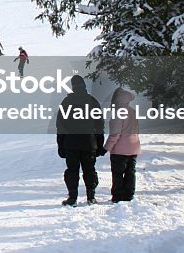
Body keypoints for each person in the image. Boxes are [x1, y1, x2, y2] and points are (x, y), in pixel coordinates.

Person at [56, 75, 106, 206]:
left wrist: (60, 145)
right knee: (89, 169)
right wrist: (100, 144)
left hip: (71, 143)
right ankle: (91, 196)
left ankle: (72, 198)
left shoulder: (66, 102)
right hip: (89, 142)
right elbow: (99, 124)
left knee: (72, 170)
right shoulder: (92, 101)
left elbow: (60, 126)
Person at [104, 87, 141, 203]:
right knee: (131, 173)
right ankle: (129, 195)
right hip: (134, 147)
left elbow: (115, 134)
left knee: (118, 173)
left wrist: (106, 148)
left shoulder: (118, 112)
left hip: (120, 149)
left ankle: (118, 196)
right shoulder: (132, 111)